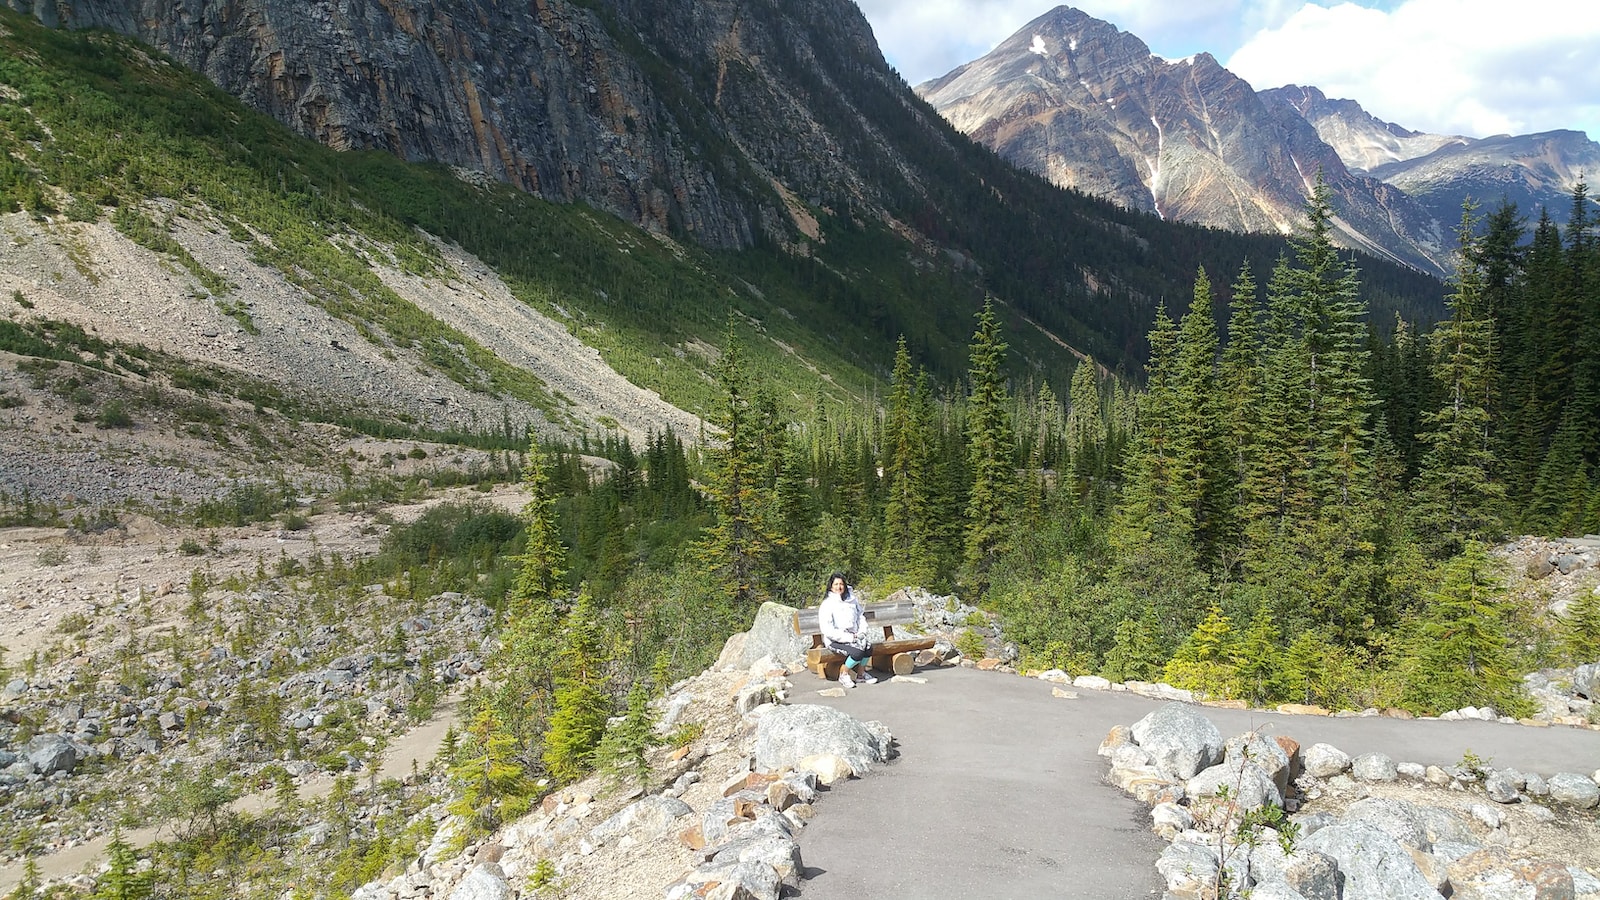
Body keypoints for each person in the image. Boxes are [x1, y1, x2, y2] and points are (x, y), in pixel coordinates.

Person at [819, 572, 876, 687]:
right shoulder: (827, 604)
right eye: (836, 584)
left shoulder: (851, 600)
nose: (838, 587)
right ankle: (843, 674)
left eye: (841, 584)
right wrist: (849, 637)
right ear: (831, 586)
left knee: (868, 647)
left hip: (854, 636)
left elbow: (860, 616)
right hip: (835, 640)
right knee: (857, 652)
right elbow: (828, 630)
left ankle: (861, 674)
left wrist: (861, 632)